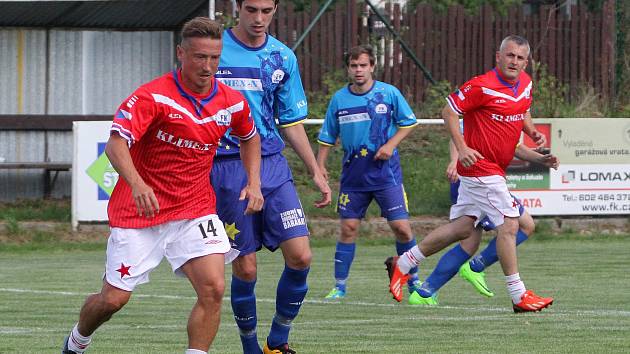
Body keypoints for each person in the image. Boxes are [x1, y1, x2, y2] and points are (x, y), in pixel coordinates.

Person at [61, 17, 262, 354]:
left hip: (194, 210)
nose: (208, 66)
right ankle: (77, 341)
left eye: (214, 58)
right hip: (140, 213)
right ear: (180, 54)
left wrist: (254, 182)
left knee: (213, 288)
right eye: (200, 57)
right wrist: (138, 185)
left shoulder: (231, 101)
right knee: (113, 300)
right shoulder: (152, 96)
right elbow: (115, 144)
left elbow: (250, 137)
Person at [386, 35, 555, 313]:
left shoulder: (525, 85)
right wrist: (462, 148)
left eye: (520, 58)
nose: (514, 62)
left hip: (492, 171)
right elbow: (449, 111)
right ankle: (518, 295)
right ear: (498, 57)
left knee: (465, 228)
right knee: (511, 224)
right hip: (480, 168)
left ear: (527, 62)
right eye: (510, 55)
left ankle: (403, 263)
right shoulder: (482, 85)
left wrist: (533, 136)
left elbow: (522, 111)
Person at [211, 1, 331, 353]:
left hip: (272, 164)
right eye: (251, 9)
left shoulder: (283, 57)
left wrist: (316, 171)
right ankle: (249, 347)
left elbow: (289, 122)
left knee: (301, 256)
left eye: (267, 10)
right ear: (237, 7)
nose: (259, 18)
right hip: (227, 166)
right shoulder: (215, 52)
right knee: (245, 269)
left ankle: (277, 340)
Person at [316, 45, 420, 301]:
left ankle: (414, 283)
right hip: (353, 176)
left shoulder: (388, 93)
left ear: (372, 66)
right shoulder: (339, 99)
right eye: (354, 66)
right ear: (348, 69)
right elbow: (327, 136)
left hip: (386, 175)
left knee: (402, 229)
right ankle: (339, 286)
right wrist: (320, 168)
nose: (359, 70)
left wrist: (390, 145)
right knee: (348, 228)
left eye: (363, 65)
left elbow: (409, 123)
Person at [401, 139, 559, 305]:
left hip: (483, 177)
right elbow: (456, 129)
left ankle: (425, 290)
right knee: (519, 226)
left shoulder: (511, 116)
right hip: (477, 179)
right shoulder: (485, 114)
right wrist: (455, 160)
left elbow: (514, 144)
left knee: (468, 241)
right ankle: (478, 269)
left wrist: (535, 139)